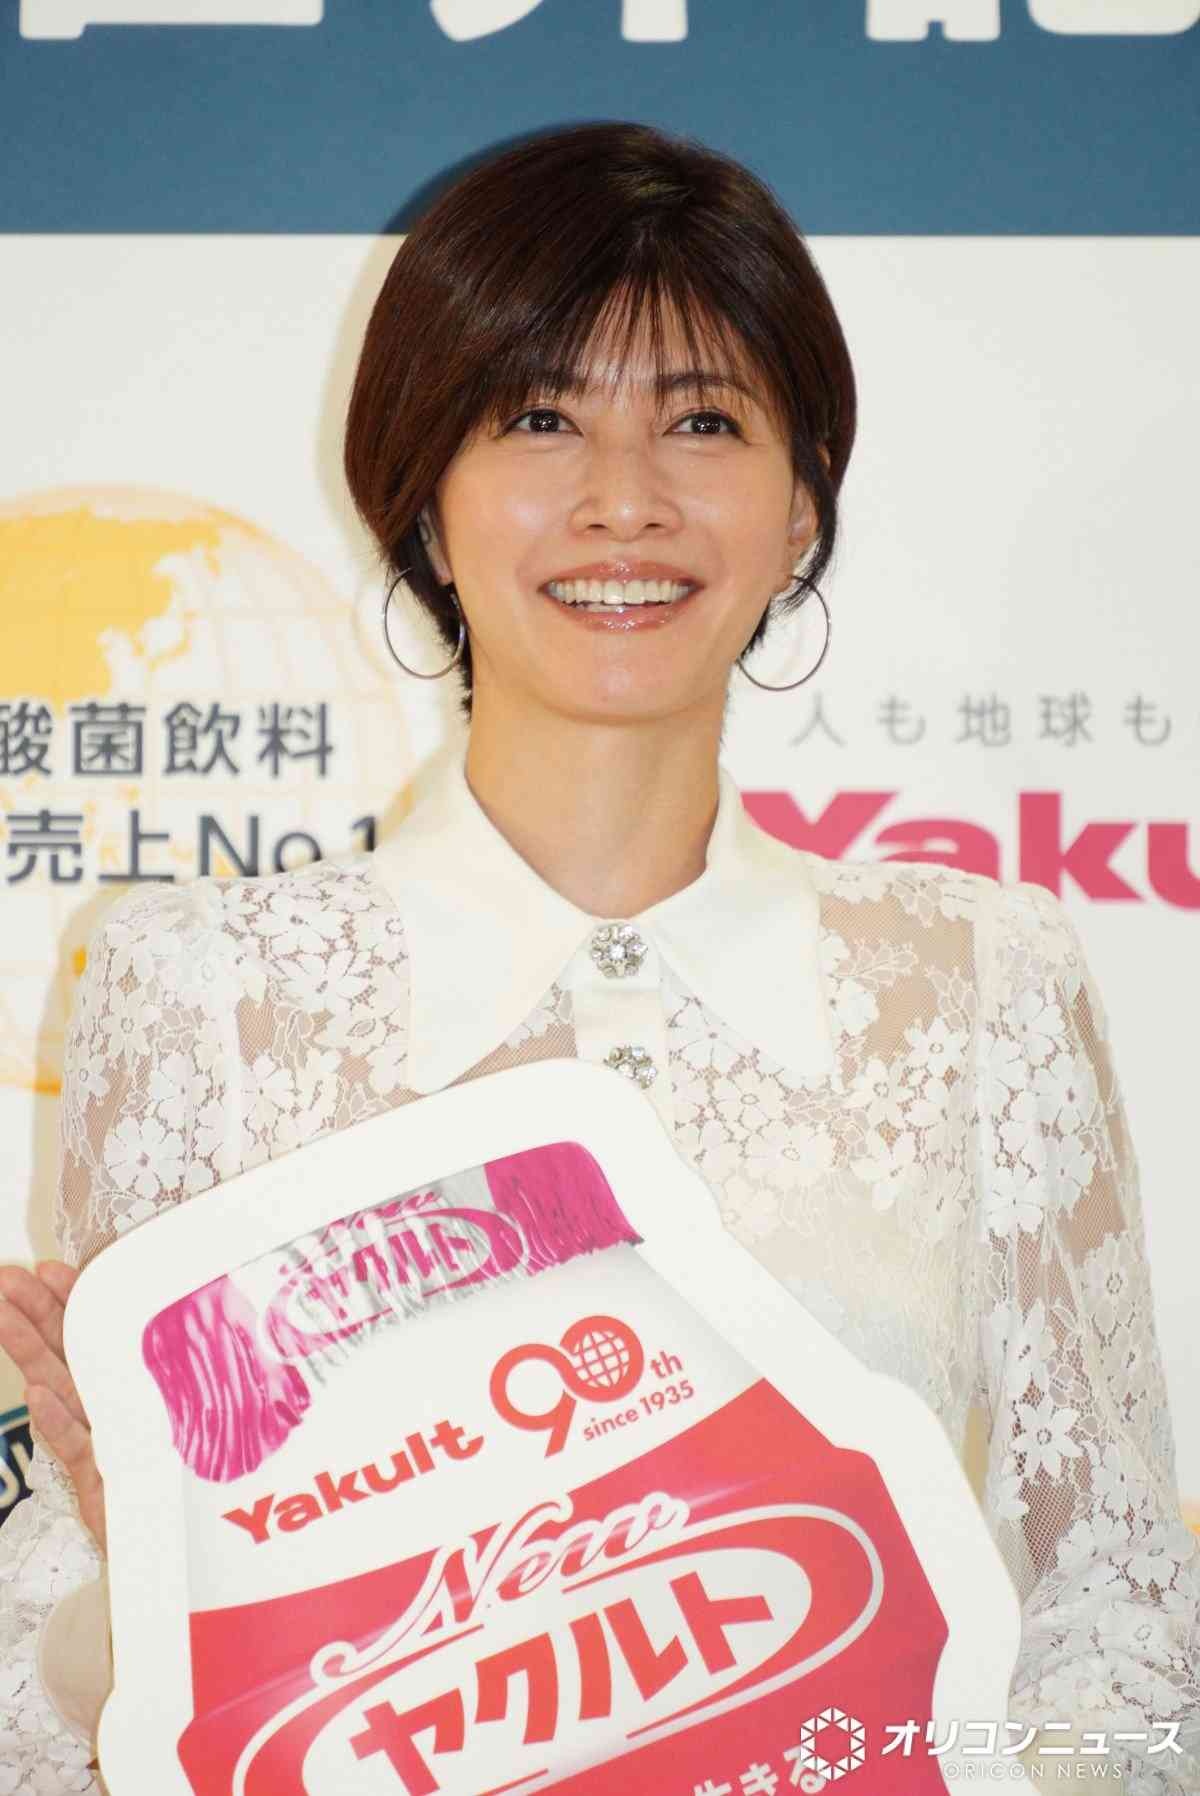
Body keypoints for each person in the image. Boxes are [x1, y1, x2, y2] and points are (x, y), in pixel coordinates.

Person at [1, 120, 1198, 1793]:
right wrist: (157, 1579)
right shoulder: (204, 992)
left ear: (802, 507)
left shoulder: (981, 983)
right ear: (423, 506)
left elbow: (1121, 1616)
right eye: (538, 418)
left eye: (703, 421)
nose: (623, 500)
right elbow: (50, 1662)